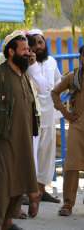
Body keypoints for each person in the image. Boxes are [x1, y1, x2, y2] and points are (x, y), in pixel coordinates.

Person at [0, 31, 39, 230]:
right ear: (11, 52)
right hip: (4, 140)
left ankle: (7, 223)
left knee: (18, 181)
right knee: (2, 184)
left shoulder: (23, 75)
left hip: (24, 140)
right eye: (24, 50)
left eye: (29, 50)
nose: (28, 53)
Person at [29, 29, 62, 203]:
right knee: (30, 153)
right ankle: (29, 193)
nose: (37, 46)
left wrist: (55, 91)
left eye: (40, 42)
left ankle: (42, 190)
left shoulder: (52, 61)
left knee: (47, 153)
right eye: (33, 43)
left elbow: (58, 79)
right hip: (31, 115)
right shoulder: (25, 63)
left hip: (49, 115)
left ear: (45, 43)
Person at [52, 45, 84, 216]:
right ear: (80, 57)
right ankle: (67, 204)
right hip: (77, 126)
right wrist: (64, 112)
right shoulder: (73, 77)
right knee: (71, 164)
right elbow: (55, 93)